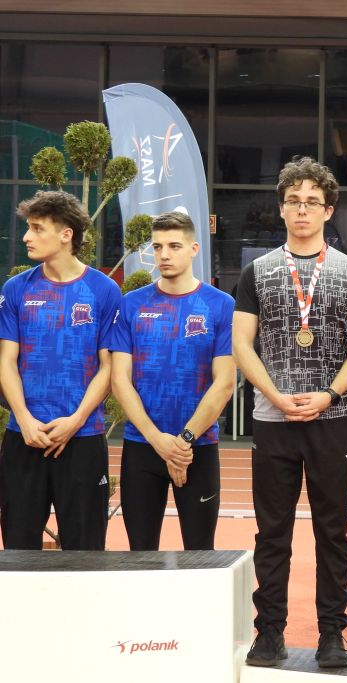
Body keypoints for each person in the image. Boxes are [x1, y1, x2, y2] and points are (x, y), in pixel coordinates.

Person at [233, 157, 347, 669]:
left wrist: (329, 395)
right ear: (281, 208)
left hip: (331, 420)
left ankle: (332, 634)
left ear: (328, 210)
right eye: (293, 201)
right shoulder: (257, 271)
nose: (302, 210)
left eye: (313, 202)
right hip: (274, 420)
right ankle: (269, 633)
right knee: (272, 533)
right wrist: (273, 395)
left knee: (332, 532)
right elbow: (242, 343)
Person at [0, 190, 120, 550]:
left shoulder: (104, 290)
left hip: (83, 438)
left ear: (66, 234)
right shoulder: (16, 289)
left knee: (85, 553)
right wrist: (23, 419)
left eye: (37, 228)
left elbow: (108, 367)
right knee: (18, 552)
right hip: (24, 437)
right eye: (28, 228)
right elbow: (6, 361)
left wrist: (76, 420)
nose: (26, 237)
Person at [110, 211, 235, 550]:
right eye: (157, 247)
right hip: (141, 447)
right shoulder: (131, 304)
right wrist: (157, 440)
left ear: (194, 249)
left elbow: (224, 383)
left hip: (197, 448)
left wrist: (183, 441)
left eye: (174, 246)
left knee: (200, 553)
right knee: (141, 555)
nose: (164, 254)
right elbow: (119, 380)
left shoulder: (221, 305)